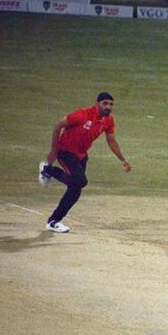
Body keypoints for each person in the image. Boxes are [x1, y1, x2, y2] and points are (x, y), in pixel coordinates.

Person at [38, 92, 131, 232]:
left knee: (75, 189)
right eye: (105, 103)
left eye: (111, 104)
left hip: (81, 156)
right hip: (65, 152)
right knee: (80, 181)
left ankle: (53, 221)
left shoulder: (108, 120)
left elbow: (111, 140)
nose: (108, 106)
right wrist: (53, 151)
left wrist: (122, 160)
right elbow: (58, 126)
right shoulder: (82, 114)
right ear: (97, 104)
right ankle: (47, 170)